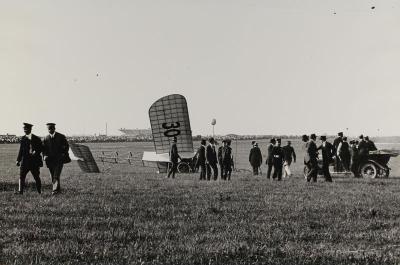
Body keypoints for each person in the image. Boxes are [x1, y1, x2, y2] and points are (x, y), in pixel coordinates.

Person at [42, 123, 70, 194]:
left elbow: (66, 146)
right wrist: (44, 156)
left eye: (51, 128)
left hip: (59, 160)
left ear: (54, 129)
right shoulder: (45, 138)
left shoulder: (61, 136)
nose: (50, 130)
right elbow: (44, 149)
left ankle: (54, 190)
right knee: (52, 175)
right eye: (49, 129)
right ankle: (58, 190)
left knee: (56, 175)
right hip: (50, 161)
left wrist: (63, 153)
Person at [15, 123, 43, 194]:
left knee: (36, 177)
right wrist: (18, 160)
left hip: (34, 162)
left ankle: (39, 192)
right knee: (21, 176)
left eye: (26, 129)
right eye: (24, 129)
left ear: (30, 129)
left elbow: (41, 148)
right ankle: (20, 192)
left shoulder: (36, 139)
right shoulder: (23, 139)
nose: (25, 130)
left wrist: (36, 151)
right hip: (25, 162)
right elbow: (21, 150)